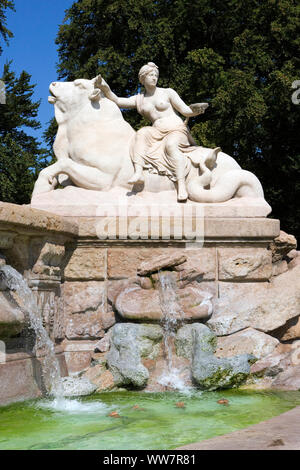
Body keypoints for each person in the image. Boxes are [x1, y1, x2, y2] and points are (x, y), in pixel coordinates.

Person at [96, 62, 220, 201]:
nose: (154, 78)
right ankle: (138, 173)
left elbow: (185, 111)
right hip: (156, 132)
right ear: (143, 78)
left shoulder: (168, 92)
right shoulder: (140, 99)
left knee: (171, 146)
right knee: (141, 134)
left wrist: (195, 111)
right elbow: (118, 101)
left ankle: (181, 185)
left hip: (176, 129)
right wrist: (105, 88)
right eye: (151, 75)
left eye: (156, 75)